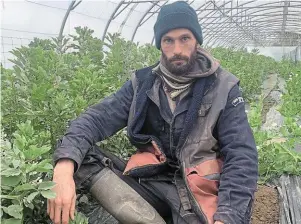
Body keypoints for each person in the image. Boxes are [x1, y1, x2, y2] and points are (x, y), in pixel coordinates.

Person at [47, 1, 258, 224]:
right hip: (153, 182)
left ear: (197, 41)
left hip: (198, 190)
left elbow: (241, 155)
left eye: (185, 38)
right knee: (81, 156)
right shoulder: (143, 83)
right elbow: (95, 120)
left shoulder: (223, 87)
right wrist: (63, 168)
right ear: (159, 44)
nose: (177, 49)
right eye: (168, 40)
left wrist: (228, 217)